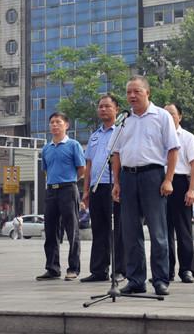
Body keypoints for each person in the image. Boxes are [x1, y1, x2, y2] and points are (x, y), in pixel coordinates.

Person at [111, 75, 179, 296]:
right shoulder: (123, 119)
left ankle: (160, 279)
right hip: (128, 177)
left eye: (136, 91)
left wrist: (168, 179)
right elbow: (117, 153)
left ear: (147, 93)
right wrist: (117, 182)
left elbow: (172, 149)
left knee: (158, 231)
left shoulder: (161, 116)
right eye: (129, 92)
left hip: (153, 176)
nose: (131, 95)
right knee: (130, 231)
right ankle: (136, 279)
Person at [80, 94, 126, 283]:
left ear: (116, 109)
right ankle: (99, 270)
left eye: (107, 106)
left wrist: (119, 183)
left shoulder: (122, 131)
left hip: (114, 186)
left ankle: (119, 269)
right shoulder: (95, 135)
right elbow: (88, 165)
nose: (103, 109)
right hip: (96, 187)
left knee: (117, 229)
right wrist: (85, 191)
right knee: (98, 229)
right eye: (100, 106)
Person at [36, 112, 85, 281]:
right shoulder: (46, 148)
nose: (54, 125)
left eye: (58, 122)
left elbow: (81, 169)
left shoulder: (73, 145)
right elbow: (46, 170)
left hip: (68, 189)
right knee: (50, 230)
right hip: (51, 190)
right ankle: (52, 268)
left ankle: (73, 268)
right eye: (52, 122)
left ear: (66, 125)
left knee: (72, 231)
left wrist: (68, 182)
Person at [164, 103, 194, 284]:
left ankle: (186, 270)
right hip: (161, 184)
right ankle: (166, 270)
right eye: (165, 114)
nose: (169, 117)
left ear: (180, 116)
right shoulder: (158, 137)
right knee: (163, 231)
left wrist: (192, 189)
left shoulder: (187, 137)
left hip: (180, 183)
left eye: (172, 114)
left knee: (183, 230)